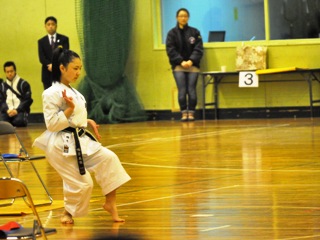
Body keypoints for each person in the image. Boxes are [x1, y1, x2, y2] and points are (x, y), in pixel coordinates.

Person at [33, 48, 131, 224]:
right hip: (60, 144)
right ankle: (68, 213)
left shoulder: (73, 91)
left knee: (109, 159)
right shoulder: (50, 93)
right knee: (84, 184)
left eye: (80, 68)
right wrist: (69, 109)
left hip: (79, 139)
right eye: (75, 68)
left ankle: (111, 204)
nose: (79, 72)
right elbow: (52, 125)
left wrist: (87, 121)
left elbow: (75, 117)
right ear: (62, 68)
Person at [166, 8, 203, 121]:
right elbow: (170, 50)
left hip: (193, 66)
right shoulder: (172, 33)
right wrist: (181, 61)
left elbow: (199, 49)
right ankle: (183, 112)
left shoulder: (195, 32)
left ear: (188, 18)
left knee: (191, 89)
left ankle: (191, 112)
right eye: (181, 16)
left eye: (185, 16)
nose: (183, 18)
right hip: (178, 66)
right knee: (182, 90)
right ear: (177, 18)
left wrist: (191, 61)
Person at [38, 16, 69, 90]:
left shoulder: (64, 39)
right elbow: (42, 57)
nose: (51, 26)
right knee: (49, 97)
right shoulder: (41, 41)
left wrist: (55, 65)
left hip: (60, 72)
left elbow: (65, 54)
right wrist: (50, 65)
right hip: (47, 73)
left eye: (52, 24)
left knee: (61, 96)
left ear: (56, 26)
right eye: (48, 24)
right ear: (45, 26)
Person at [0, 61, 33, 127]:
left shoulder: (23, 84)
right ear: (5, 72)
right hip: (7, 111)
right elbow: (1, 100)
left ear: (15, 71)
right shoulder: (2, 86)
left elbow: (27, 100)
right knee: (2, 124)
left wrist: (17, 110)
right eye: (7, 72)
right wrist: (7, 110)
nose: (10, 73)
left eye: (11, 71)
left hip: (19, 111)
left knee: (19, 122)